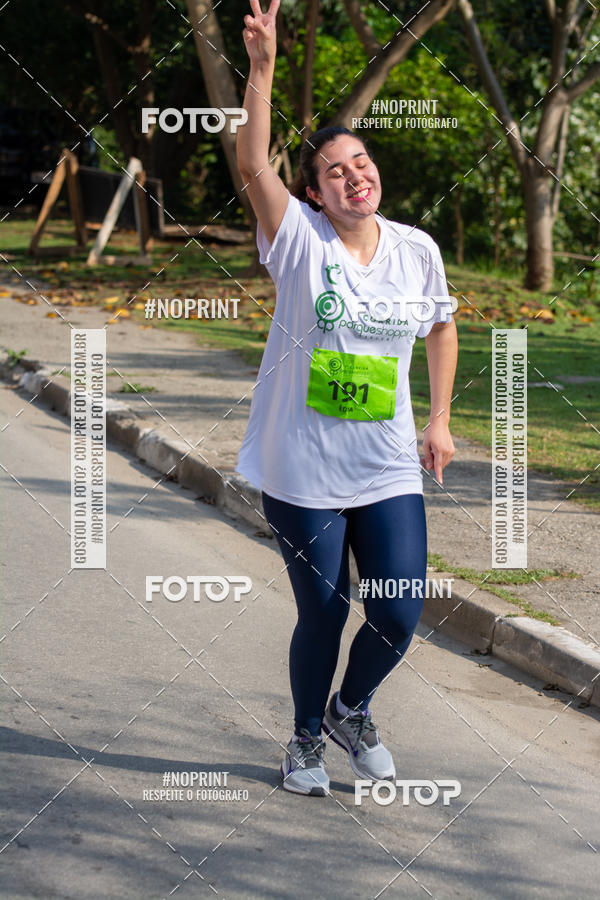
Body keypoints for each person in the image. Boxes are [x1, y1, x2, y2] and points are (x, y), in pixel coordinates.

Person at [235, 0, 458, 796]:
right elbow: (253, 167)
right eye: (335, 170)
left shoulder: (416, 250)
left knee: (398, 612)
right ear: (315, 192)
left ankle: (350, 706)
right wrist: (261, 71)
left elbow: (441, 328)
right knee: (325, 613)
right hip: (303, 470)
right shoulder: (297, 241)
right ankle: (302, 740)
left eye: (360, 162)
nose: (353, 175)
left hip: (387, 463)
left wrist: (437, 418)